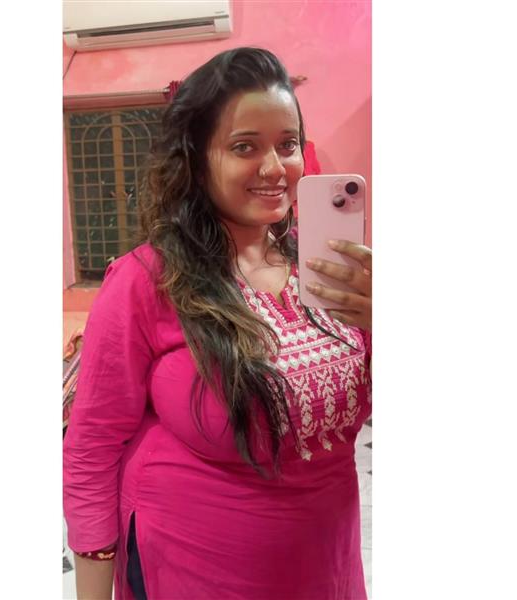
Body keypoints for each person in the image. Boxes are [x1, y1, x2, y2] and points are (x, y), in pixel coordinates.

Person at [63, 47, 372, 600]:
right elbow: (92, 446)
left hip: (325, 567)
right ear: (197, 160)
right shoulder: (147, 280)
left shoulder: (332, 269)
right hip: (190, 567)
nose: (275, 168)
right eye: (244, 146)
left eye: (288, 144)